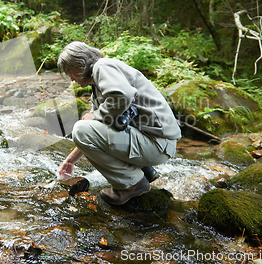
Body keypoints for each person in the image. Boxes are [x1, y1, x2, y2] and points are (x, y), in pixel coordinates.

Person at [57, 41, 181, 205]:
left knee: (80, 128)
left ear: (79, 64)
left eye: (69, 72)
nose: (71, 79)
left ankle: (132, 184)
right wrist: (70, 161)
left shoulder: (103, 66)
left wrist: (94, 116)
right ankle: (144, 171)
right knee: (86, 128)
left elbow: (122, 96)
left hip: (156, 143)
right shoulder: (98, 88)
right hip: (156, 144)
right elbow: (94, 133)